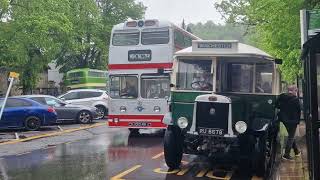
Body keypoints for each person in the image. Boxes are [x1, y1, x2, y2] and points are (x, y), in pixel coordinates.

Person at [276, 85, 301, 161]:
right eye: (296, 91)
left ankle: (296, 151)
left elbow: (277, 105)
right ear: (293, 91)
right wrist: (298, 120)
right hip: (293, 121)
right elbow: (299, 110)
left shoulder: (281, 97)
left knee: (291, 136)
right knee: (291, 137)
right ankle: (286, 154)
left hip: (284, 120)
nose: (296, 92)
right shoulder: (296, 100)